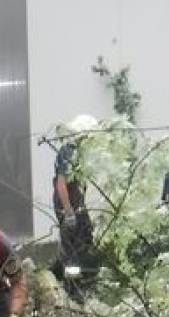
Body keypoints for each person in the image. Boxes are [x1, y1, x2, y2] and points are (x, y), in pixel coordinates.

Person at [51, 114, 100, 296]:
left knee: (85, 237)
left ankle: (75, 277)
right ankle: (72, 287)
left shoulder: (81, 152)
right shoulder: (69, 151)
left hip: (76, 200)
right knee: (72, 244)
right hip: (67, 201)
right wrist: (68, 211)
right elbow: (61, 183)